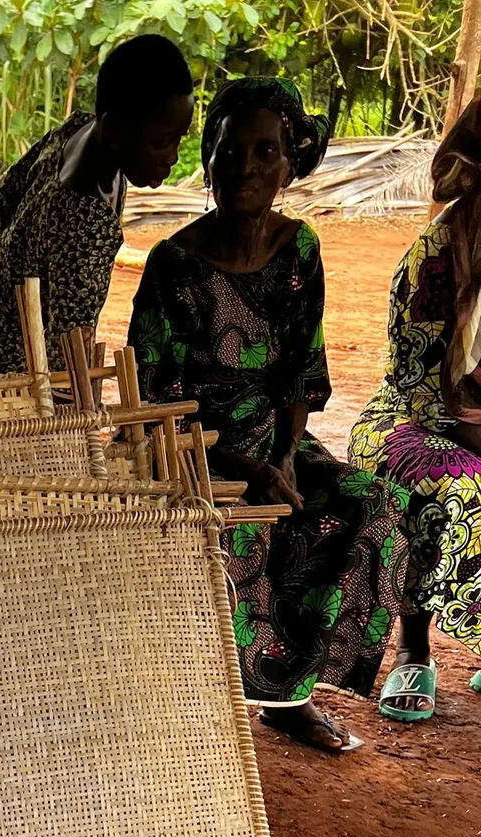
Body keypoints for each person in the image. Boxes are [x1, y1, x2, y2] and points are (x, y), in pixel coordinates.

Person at [128, 77, 412, 753]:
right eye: (231, 151)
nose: (245, 168)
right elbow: (150, 401)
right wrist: (241, 465)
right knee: (240, 532)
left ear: (290, 166)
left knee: (370, 506)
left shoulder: (299, 250)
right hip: (188, 447)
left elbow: (300, 371)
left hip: (273, 439)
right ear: (209, 157)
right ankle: (207, 705)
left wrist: (283, 457)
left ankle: (289, 693)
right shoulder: (174, 264)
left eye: (265, 154)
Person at [0, 35, 195, 379]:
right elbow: (69, 352)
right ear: (116, 128)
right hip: (6, 361)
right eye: (162, 142)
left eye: (179, 138)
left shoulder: (78, 131)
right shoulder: (87, 225)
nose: (173, 156)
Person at [350, 101, 481, 724]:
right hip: (419, 417)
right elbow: (420, 384)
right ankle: (414, 647)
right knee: (450, 483)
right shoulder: (434, 260)